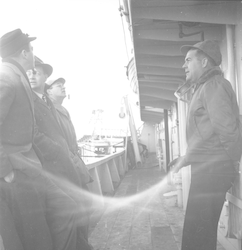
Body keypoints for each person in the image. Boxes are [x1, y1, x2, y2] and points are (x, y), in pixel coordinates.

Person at [0, 29, 79, 250]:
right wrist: (5, 170)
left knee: (66, 210)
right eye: (32, 50)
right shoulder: (6, 78)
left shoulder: (17, 76)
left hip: (31, 169)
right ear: (24, 53)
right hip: (17, 174)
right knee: (34, 238)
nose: (34, 55)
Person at [168, 40, 242, 250]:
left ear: (204, 62)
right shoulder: (203, 88)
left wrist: (230, 163)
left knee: (197, 235)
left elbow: (227, 129)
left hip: (214, 170)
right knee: (196, 232)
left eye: (188, 60)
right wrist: (186, 159)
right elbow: (205, 135)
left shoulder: (214, 86)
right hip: (208, 167)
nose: (184, 65)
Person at [27, 57, 92, 250]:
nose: (32, 75)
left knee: (81, 209)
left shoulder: (48, 102)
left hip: (67, 166)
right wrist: (58, 151)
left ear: (45, 76)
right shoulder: (28, 100)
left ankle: (82, 245)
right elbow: (34, 134)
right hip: (51, 169)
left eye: (37, 72)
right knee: (66, 215)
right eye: (30, 72)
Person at [45, 77, 93, 245]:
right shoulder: (49, 110)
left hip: (75, 165)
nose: (63, 88)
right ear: (49, 90)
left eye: (64, 85)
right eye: (59, 86)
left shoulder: (63, 110)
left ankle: (83, 244)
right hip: (65, 168)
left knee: (84, 209)